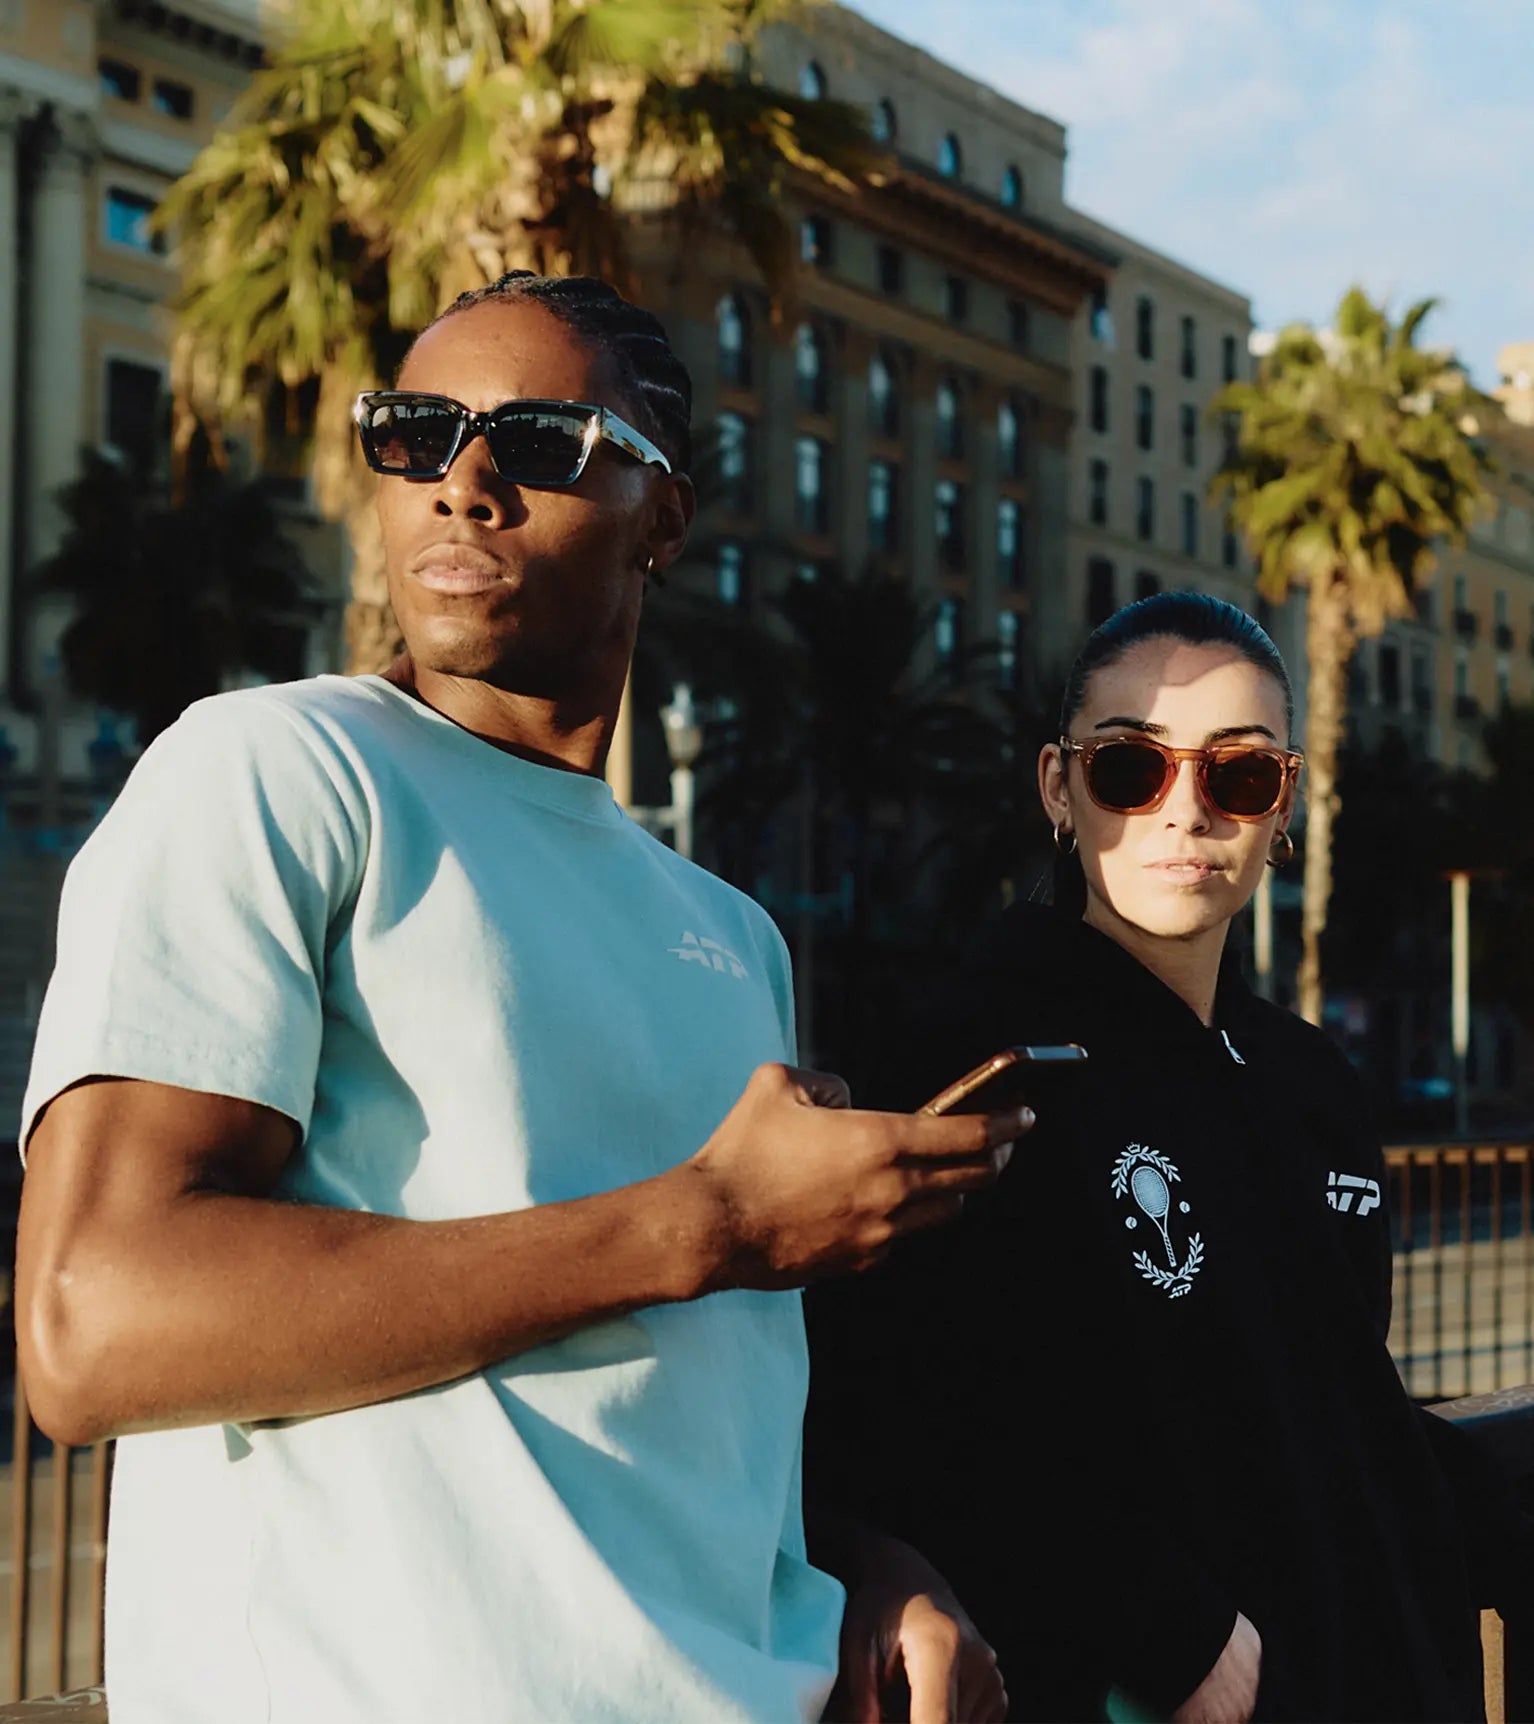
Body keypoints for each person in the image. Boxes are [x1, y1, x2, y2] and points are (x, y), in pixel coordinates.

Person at [14, 272, 1022, 1724]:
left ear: (661, 521)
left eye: (543, 441)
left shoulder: (730, 933)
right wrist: (714, 1221)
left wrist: (855, 1568)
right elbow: (90, 1322)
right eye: (416, 432)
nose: (464, 482)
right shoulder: (279, 772)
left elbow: (669, 1408)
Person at [808, 592, 1528, 1723]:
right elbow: (900, 1421)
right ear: (1058, 787)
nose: (1184, 811)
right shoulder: (969, 1062)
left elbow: (1345, 1408)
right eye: (1129, 768)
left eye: (1236, 775)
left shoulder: (1310, 1084)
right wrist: (1177, 1634)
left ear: (1281, 801)